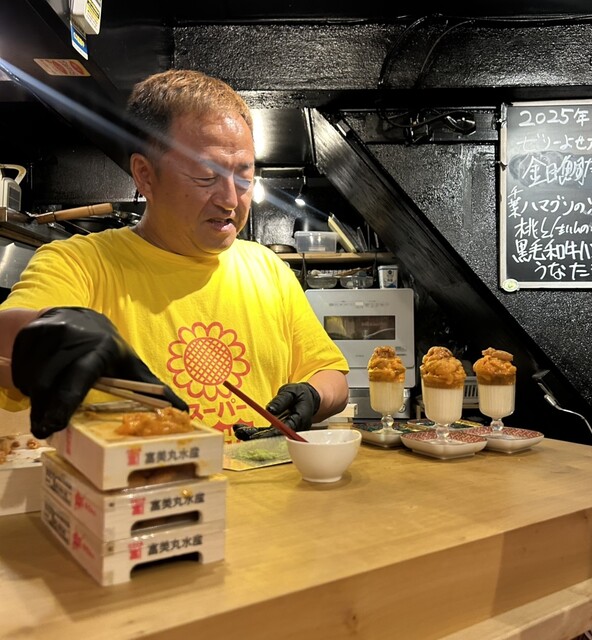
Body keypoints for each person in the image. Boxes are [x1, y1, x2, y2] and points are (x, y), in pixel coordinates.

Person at [0, 69, 349, 443]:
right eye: (206, 176)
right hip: (139, 479)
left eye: (244, 176)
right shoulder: (80, 263)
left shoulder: (268, 270)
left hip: (265, 478)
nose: (231, 199)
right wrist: (53, 331)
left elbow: (331, 374)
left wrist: (313, 395)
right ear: (146, 176)